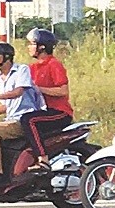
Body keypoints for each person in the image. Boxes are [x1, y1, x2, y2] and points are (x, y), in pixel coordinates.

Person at [0, 42, 45, 186]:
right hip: (10, 119)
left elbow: (17, 92)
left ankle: (0, 174)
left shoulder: (21, 70)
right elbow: (6, 106)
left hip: (24, 120)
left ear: (6, 57)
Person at [18, 28, 74, 173]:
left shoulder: (54, 64)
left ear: (41, 47)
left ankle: (43, 159)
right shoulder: (32, 67)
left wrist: (39, 89)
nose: (28, 47)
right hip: (42, 111)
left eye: (31, 44)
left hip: (59, 112)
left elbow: (63, 91)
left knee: (28, 120)